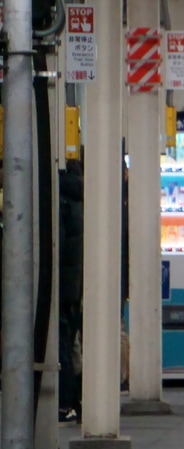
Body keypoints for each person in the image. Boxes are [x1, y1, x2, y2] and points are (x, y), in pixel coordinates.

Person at [58, 162, 85, 422]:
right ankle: (74, 398)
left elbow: (56, 247)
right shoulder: (78, 201)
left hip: (61, 285)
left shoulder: (61, 202)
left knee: (60, 344)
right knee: (70, 342)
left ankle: (64, 402)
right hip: (74, 285)